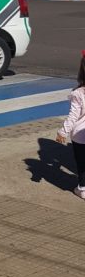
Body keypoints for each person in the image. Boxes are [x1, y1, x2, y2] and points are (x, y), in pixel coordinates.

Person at [56, 51, 85, 199]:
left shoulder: (78, 94)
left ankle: (83, 188)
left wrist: (63, 132)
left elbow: (73, 116)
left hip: (80, 136)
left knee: (81, 163)